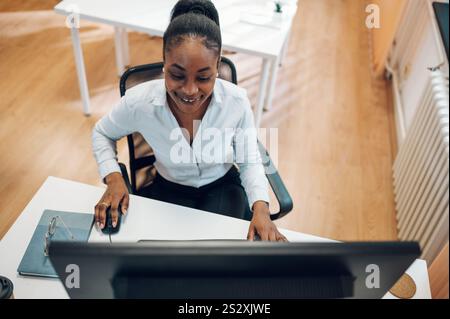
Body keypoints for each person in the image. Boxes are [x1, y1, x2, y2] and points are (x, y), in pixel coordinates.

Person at [92, 0, 287, 242]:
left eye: (204, 77)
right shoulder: (139, 103)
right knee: (162, 261)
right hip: (169, 188)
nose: (190, 90)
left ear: (217, 67)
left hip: (223, 186)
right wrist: (113, 177)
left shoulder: (236, 102)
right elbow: (102, 132)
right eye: (177, 75)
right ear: (164, 64)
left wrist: (261, 208)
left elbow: (249, 159)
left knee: (221, 261)